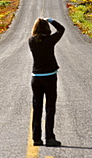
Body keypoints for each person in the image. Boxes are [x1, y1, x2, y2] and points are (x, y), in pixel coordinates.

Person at [28, 17, 65, 147]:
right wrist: (51, 20)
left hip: (36, 78)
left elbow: (37, 38)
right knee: (50, 108)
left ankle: (36, 138)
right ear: (47, 29)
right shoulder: (50, 41)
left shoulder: (31, 41)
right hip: (49, 77)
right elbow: (61, 29)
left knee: (37, 108)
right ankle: (49, 138)